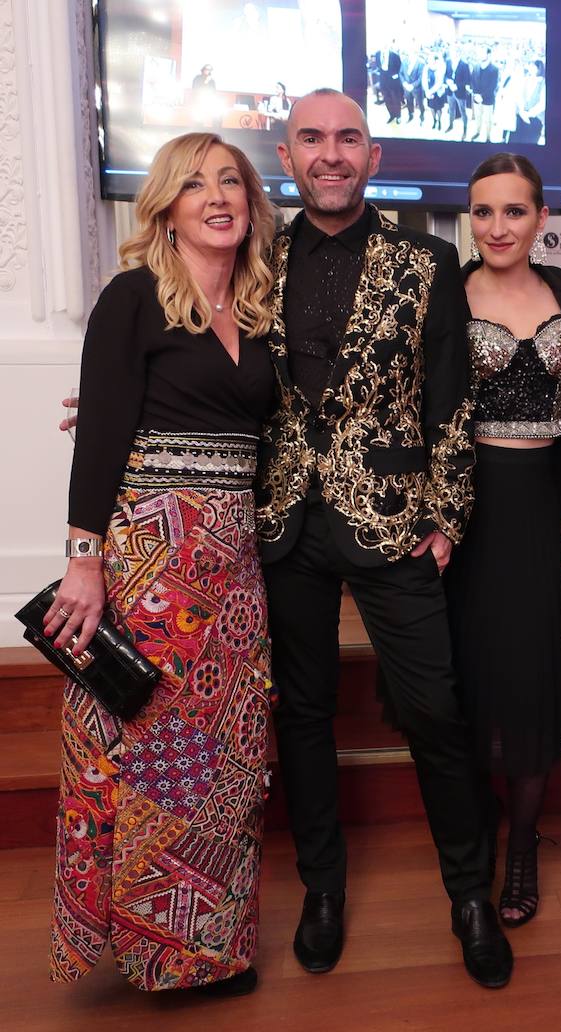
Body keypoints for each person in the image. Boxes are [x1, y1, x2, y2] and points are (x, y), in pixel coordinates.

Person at [261, 88, 512, 988]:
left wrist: (448, 515)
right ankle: (322, 889)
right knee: (303, 713)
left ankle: (469, 894)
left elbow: (452, 395)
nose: (330, 154)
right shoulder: (254, 257)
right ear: (287, 157)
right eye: (312, 139)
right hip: (286, 519)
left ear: (373, 157)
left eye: (348, 138)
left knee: (435, 711)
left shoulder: (426, 259)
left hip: (396, 524)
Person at [46, 132, 276, 996]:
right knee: (149, 753)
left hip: (234, 568)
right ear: (167, 208)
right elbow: (101, 435)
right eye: (194, 184)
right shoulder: (133, 297)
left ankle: (209, 949)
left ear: (250, 203)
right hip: (151, 558)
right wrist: (83, 564)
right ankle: (152, 950)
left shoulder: (257, 314)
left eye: (230, 181)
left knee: (224, 761)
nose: (216, 196)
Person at [447, 153, 561, 927]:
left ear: (542, 218)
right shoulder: (449, 292)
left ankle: (526, 845)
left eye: (513, 211)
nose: (497, 226)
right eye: (483, 211)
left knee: (535, 675)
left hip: (540, 508)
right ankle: (476, 840)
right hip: (468, 512)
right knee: (474, 676)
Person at [512, 60, 545, 144]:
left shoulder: (543, 82)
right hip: (521, 116)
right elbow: (519, 96)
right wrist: (522, 111)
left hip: (535, 119)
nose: (531, 68)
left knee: (530, 144)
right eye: (530, 65)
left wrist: (529, 114)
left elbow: (542, 103)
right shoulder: (526, 79)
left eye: (533, 66)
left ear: (539, 68)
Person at [468, 48, 498, 142]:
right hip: (476, 97)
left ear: (489, 55)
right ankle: (477, 132)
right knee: (478, 116)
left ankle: (488, 137)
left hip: (488, 98)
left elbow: (493, 86)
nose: (480, 54)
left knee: (488, 119)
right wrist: (476, 94)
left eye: (483, 53)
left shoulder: (494, 69)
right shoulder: (476, 66)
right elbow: (472, 81)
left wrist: (482, 96)